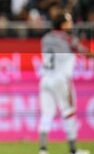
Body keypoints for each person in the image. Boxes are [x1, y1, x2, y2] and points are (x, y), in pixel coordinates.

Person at [38, 12, 93, 154]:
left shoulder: (45, 38)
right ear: (62, 25)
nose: (71, 24)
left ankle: (43, 150)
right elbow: (85, 52)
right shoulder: (69, 39)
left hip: (45, 79)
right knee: (69, 113)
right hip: (61, 80)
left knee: (46, 114)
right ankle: (73, 150)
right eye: (69, 21)